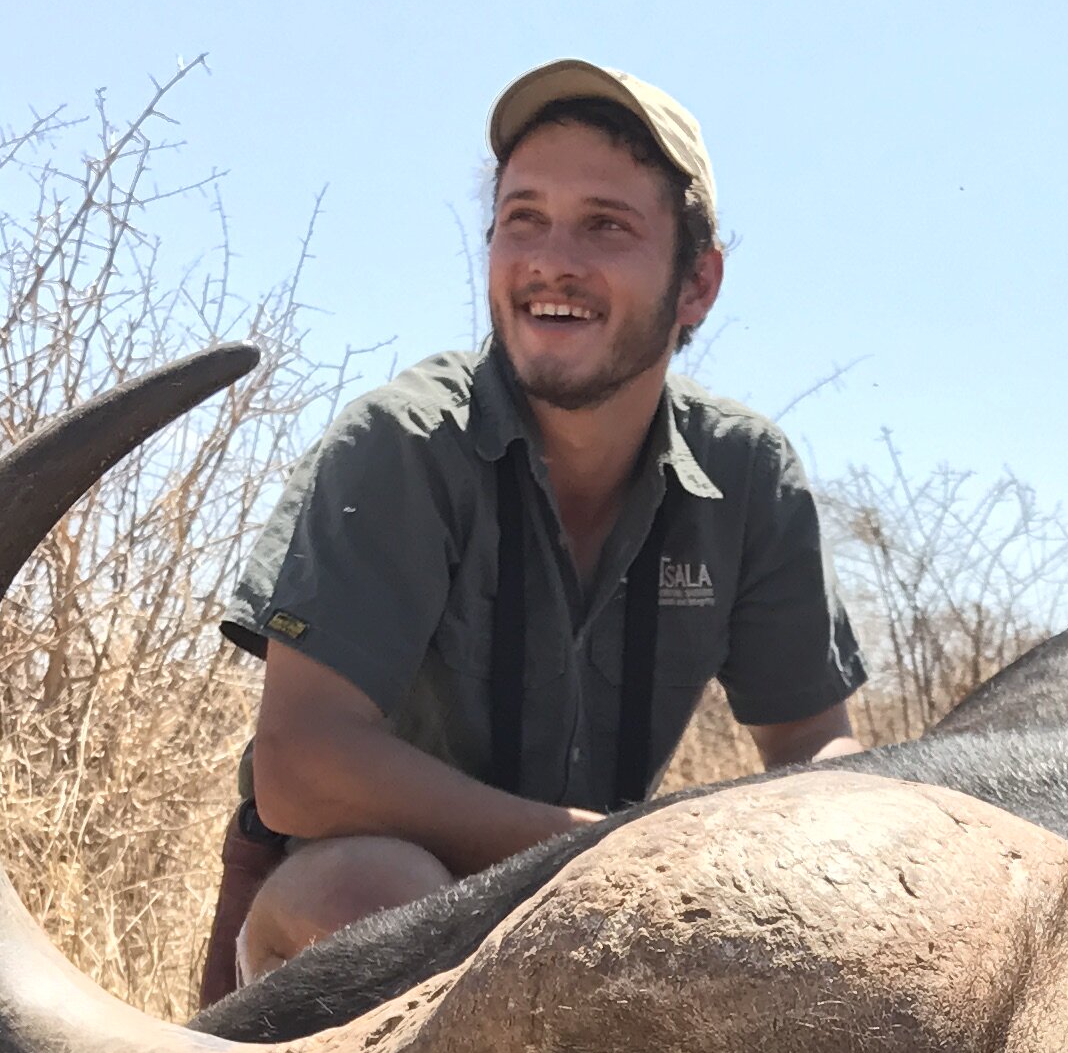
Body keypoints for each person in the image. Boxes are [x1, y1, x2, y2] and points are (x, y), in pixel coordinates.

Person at [198, 61, 868, 997]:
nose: (553, 259)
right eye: (524, 219)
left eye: (606, 225)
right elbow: (302, 770)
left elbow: (814, 749)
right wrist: (611, 853)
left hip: (599, 927)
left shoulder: (748, 475)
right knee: (379, 895)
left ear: (697, 284)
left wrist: (899, 822)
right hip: (360, 934)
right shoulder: (400, 445)